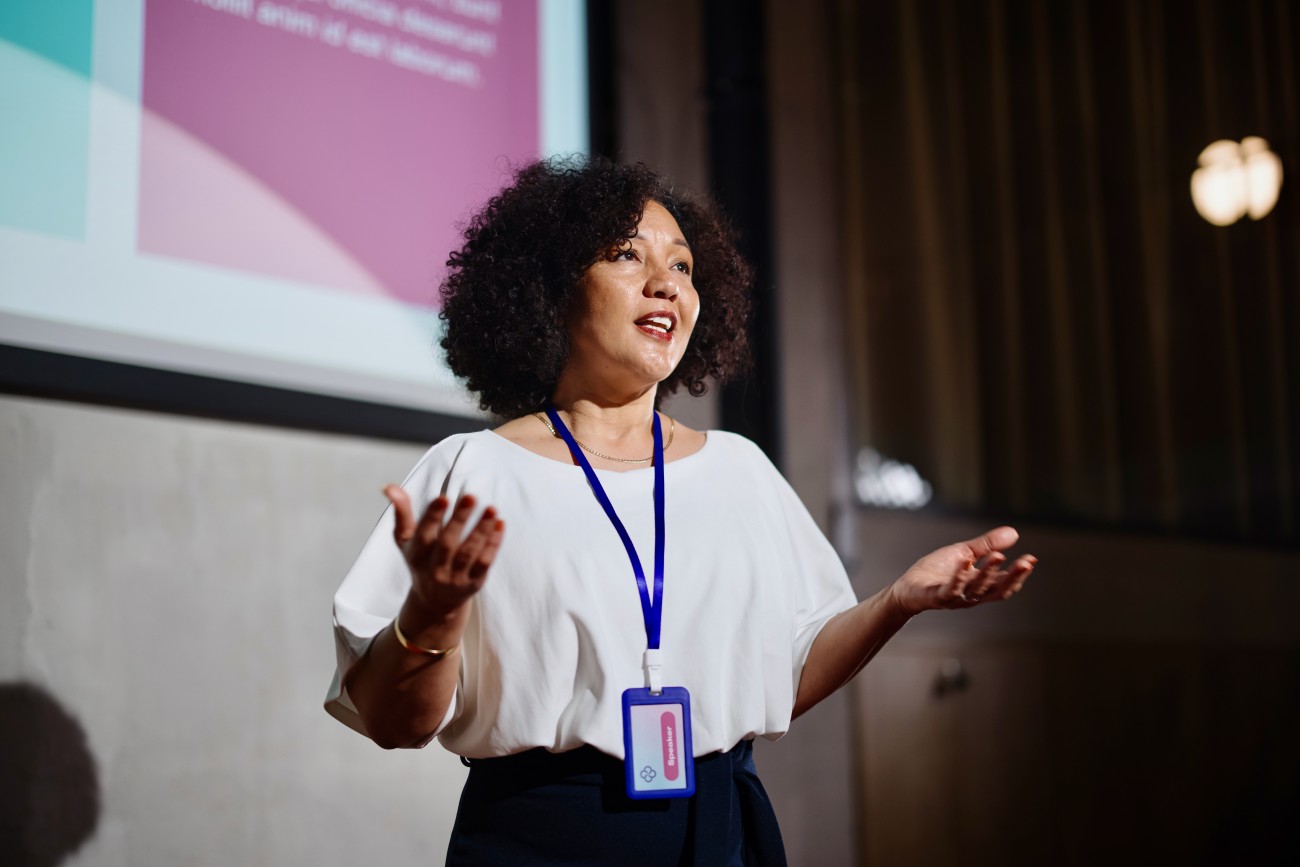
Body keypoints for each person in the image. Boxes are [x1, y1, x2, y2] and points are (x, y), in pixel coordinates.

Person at [325, 158, 1037, 865]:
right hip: (544, 838)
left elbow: (785, 675)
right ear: (552, 288)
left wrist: (899, 601)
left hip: (721, 831)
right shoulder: (474, 470)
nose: (666, 282)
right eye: (626, 254)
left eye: (683, 265)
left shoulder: (740, 469)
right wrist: (434, 613)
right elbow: (394, 723)